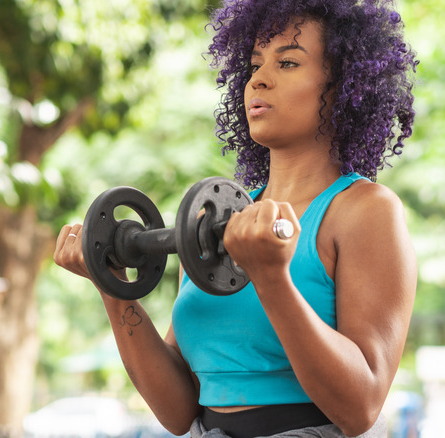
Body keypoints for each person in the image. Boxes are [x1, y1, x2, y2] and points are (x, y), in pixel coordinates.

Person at [54, 0, 418, 436]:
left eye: (287, 62)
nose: (258, 79)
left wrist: (271, 277)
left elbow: (361, 407)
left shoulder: (366, 210)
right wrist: (112, 287)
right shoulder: (223, 219)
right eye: (253, 65)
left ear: (344, 86)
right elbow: (178, 410)